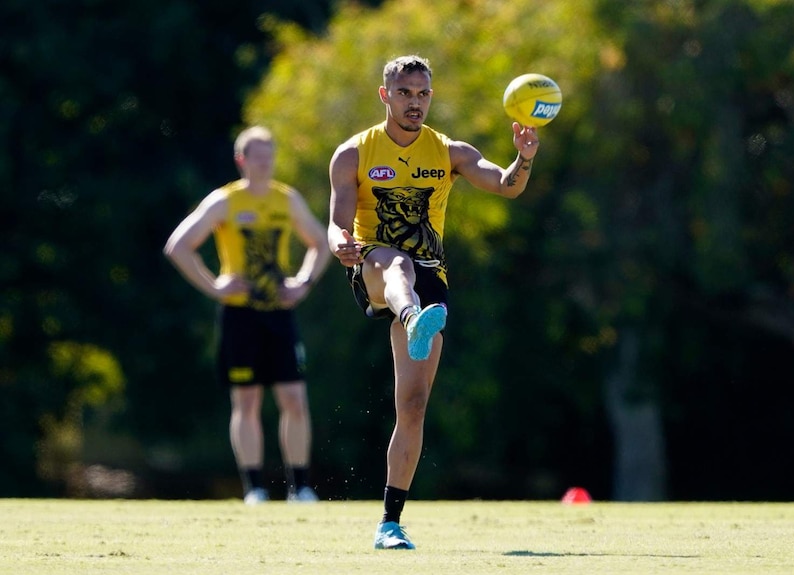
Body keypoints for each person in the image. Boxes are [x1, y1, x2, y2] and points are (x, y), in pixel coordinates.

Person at [328, 55, 539, 549]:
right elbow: (337, 220)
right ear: (385, 95)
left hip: (431, 281)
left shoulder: (450, 152)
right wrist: (339, 241)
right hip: (373, 265)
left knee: (414, 405)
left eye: (423, 94)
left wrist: (524, 156)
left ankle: (389, 523)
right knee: (397, 265)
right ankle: (412, 316)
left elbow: (505, 185)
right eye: (405, 93)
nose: (415, 102)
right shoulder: (353, 153)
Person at [164, 126, 330, 505]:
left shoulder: (286, 200)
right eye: (257, 155)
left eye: (270, 154)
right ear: (241, 160)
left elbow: (320, 244)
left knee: (294, 397)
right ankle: (254, 487)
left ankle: (299, 487)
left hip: (279, 314)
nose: (265, 161)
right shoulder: (225, 201)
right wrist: (214, 286)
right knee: (247, 401)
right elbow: (179, 246)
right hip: (240, 316)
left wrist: (302, 283)